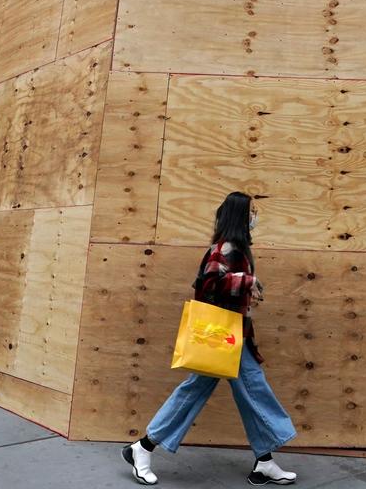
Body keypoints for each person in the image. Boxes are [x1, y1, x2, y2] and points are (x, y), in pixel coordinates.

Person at [122, 191, 297, 486]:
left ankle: (263, 461)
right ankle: (142, 447)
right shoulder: (225, 248)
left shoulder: (236, 249)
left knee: (243, 392)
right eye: (252, 212)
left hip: (231, 338)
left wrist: (246, 291)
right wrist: (249, 281)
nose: (255, 217)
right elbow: (208, 283)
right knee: (248, 391)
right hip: (223, 338)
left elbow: (220, 285)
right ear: (240, 217)